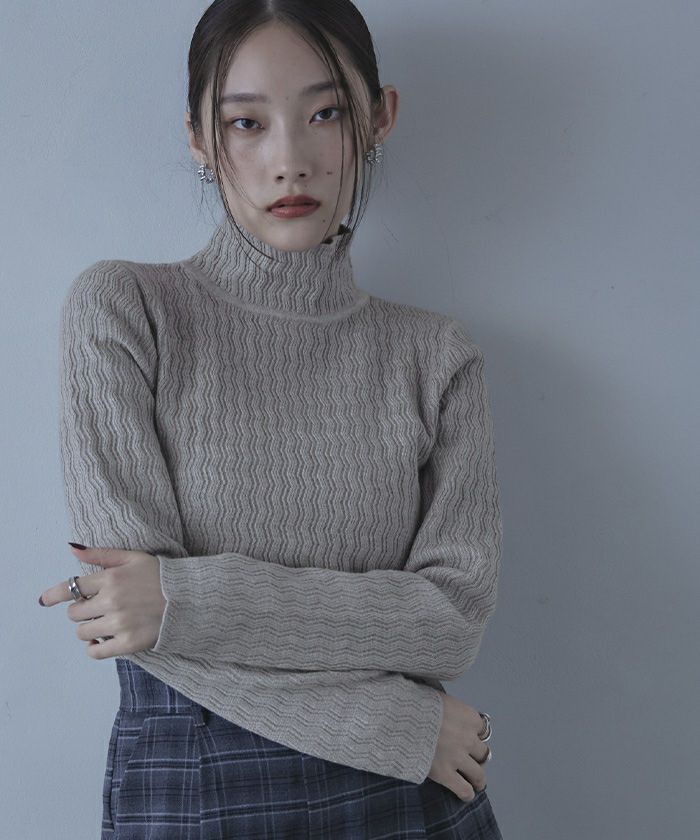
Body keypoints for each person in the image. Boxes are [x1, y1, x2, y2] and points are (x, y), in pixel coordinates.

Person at [39, 1, 504, 837]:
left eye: (325, 114)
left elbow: (450, 626)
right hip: (218, 787)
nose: (289, 161)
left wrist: (181, 596)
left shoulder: (435, 357)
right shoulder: (127, 310)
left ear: (378, 118)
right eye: (246, 123)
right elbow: (132, 619)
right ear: (198, 138)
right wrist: (395, 726)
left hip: (410, 803)